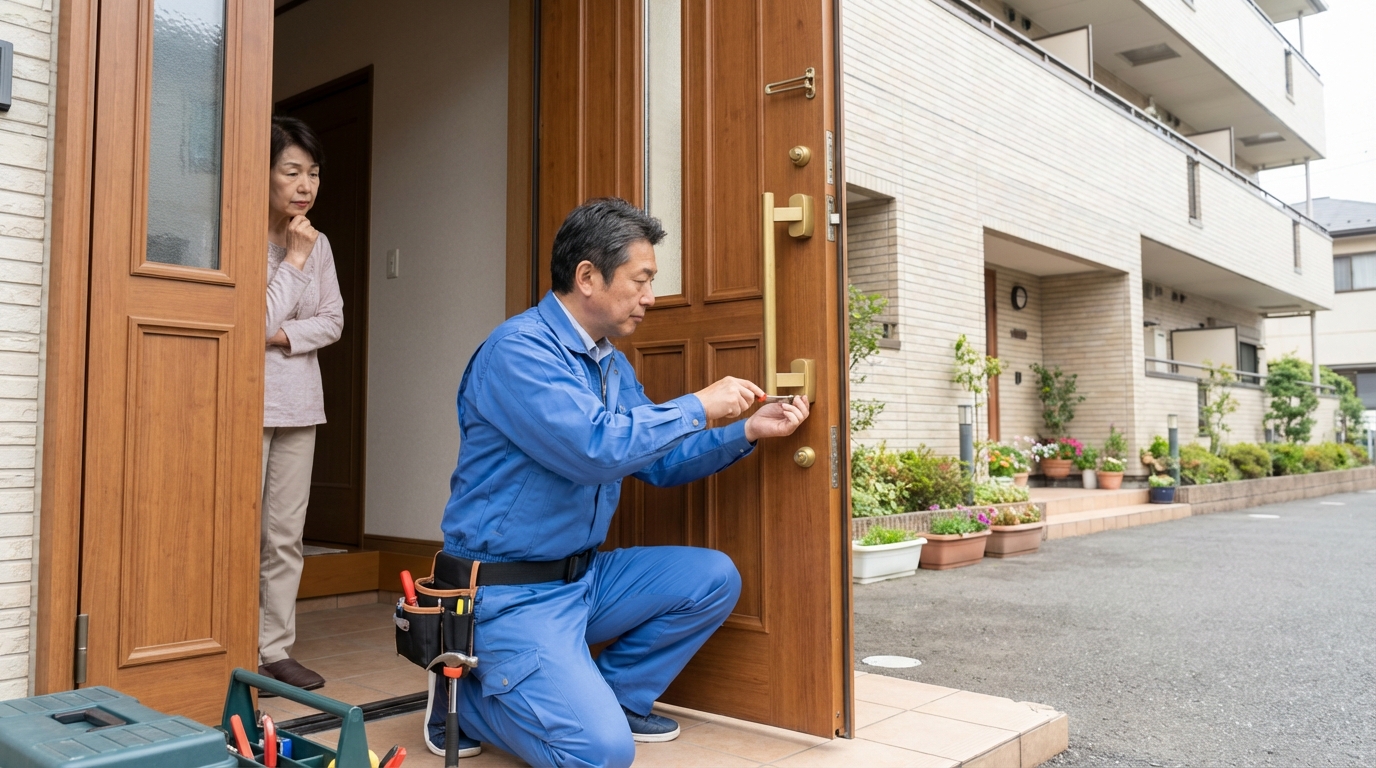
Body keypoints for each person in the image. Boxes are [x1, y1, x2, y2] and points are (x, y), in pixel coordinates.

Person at [426, 197, 809, 766]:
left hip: (582, 579)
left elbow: (654, 461)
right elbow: (596, 449)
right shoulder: (518, 352)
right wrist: (700, 405)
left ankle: (615, 695)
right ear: (587, 277)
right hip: (507, 593)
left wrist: (746, 431)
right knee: (601, 753)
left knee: (711, 578)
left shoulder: (609, 362)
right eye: (642, 280)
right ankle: (466, 701)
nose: (651, 298)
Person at [258, 116, 344, 690]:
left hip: (300, 405)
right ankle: (225, 638)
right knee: (237, 530)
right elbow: (251, 319)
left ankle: (273, 648)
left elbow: (333, 320)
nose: (305, 184)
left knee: (285, 535)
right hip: (247, 403)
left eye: (312, 173)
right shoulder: (238, 233)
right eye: (292, 171)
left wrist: (283, 336)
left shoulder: (322, 242)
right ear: (261, 174)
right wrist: (290, 263)